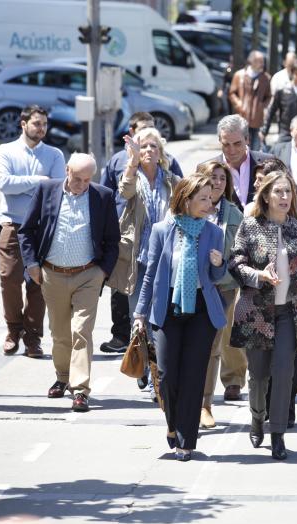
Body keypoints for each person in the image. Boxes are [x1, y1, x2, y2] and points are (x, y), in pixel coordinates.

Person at [134, 174, 227, 461]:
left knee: (193, 375)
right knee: (167, 373)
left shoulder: (214, 233)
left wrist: (218, 264)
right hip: (168, 308)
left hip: (201, 310)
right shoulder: (163, 230)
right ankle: (173, 425)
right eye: (202, 199)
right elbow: (149, 274)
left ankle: (186, 440)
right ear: (185, 201)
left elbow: (218, 277)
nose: (208, 204)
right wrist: (139, 312)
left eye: (210, 199)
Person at [18, 153, 120, 412]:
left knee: (81, 331)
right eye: (77, 179)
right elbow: (27, 230)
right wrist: (32, 265)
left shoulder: (103, 196)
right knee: (60, 333)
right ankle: (62, 377)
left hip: (88, 274)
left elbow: (112, 239)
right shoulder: (46, 190)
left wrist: (102, 272)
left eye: (87, 180)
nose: (82, 185)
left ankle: (80, 389)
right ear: (66, 171)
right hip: (51, 273)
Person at [228, 170, 297, 460]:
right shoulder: (250, 226)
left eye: (288, 192)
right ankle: (256, 417)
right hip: (256, 313)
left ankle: (277, 434)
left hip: (289, 312)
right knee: (259, 375)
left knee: (284, 372)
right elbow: (236, 263)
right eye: (278, 192)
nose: (284, 197)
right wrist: (258, 275)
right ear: (266, 195)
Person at [99, 112, 183, 355]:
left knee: (162, 317)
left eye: (153, 146)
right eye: (143, 146)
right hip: (137, 259)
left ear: (161, 152)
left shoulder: (172, 181)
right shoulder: (131, 178)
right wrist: (132, 162)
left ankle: (156, 368)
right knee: (139, 316)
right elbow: (123, 193)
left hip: (166, 259)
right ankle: (146, 368)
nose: (148, 150)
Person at [0, 105, 65, 357]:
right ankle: (13, 329)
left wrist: (26, 186)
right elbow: (3, 183)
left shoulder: (54, 154)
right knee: (8, 278)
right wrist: (39, 182)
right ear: (23, 124)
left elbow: (57, 189)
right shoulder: (5, 151)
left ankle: (32, 337)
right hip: (12, 224)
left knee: (38, 283)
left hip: (42, 227)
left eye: (44, 124)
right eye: (36, 123)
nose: (41, 128)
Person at [194, 161, 244, 429]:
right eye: (212, 177)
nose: (217, 183)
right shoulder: (185, 210)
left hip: (222, 289)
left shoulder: (234, 214)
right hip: (189, 288)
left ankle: (205, 405)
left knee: (212, 348)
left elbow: (241, 252)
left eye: (222, 179)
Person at [208, 114, 273, 212]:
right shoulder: (206, 168)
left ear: (247, 139)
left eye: (237, 144)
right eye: (226, 145)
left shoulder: (269, 163)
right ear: (220, 141)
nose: (232, 150)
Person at [229, 51, 272, 152]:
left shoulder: (265, 78)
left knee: (256, 149)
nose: (262, 64)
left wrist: (262, 105)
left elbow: (268, 96)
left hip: (258, 120)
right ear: (251, 61)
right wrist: (238, 104)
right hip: (242, 117)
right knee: (242, 147)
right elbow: (232, 93)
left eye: (262, 61)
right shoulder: (239, 75)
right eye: (259, 61)